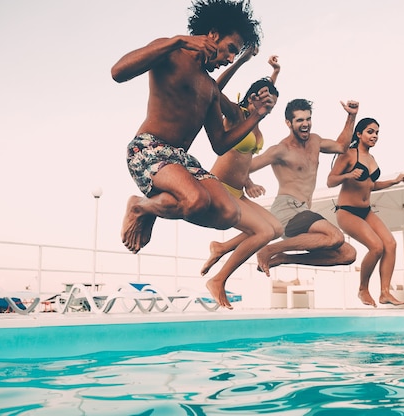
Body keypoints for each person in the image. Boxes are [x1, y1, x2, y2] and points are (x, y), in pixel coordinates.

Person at [112, 0, 277, 256]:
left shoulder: (210, 87)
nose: (230, 58)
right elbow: (118, 72)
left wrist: (257, 116)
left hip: (181, 159)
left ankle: (149, 206)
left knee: (229, 213)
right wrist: (177, 40)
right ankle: (139, 207)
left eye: (236, 54)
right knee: (196, 200)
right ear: (212, 35)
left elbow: (220, 143)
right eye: (230, 49)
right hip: (149, 148)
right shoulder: (171, 52)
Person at [200, 48, 283, 308]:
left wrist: (275, 73)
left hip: (238, 191)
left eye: (273, 105)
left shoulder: (257, 121)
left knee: (277, 229)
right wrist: (244, 60)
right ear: (253, 98)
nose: (269, 109)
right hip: (220, 188)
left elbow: (242, 160)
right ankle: (218, 279)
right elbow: (212, 88)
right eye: (267, 103)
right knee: (261, 232)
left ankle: (221, 248)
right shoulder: (237, 114)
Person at [248, 98, 359, 277]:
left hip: (304, 211)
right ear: (288, 123)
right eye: (300, 120)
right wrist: (249, 183)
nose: (305, 124)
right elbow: (243, 167)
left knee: (348, 254)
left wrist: (351, 117)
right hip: (287, 210)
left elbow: (341, 146)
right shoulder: (280, 150)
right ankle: (268, 249)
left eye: (308, 119)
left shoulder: (315, 141)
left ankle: (284, 257)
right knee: (335, 237)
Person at [327, 117, 404, 307]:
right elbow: (330, 181)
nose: (375, 136)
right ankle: (363, 289)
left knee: (390, 243)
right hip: (347, 212)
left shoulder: (371, 159)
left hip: (366, 211)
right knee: (376, 247)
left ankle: (385, 292)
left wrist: (393, 181)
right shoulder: (348, 155)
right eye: (371, 132)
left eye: (377, 133)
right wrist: (348, 174)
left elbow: (371, 185)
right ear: (359, 134)